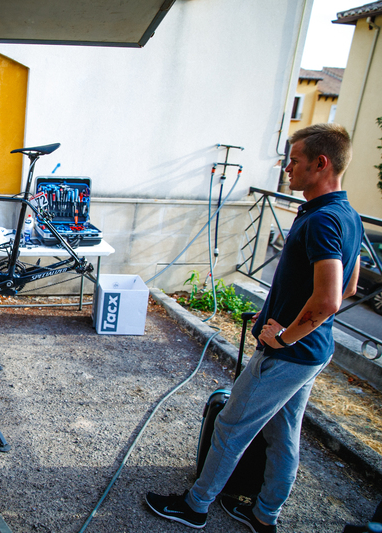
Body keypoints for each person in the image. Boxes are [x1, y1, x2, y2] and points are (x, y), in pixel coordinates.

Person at [145, 123, 363, 532]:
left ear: (321, 163)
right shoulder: (346, 215)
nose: (287, 167)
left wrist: (283, 337)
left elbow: (330, 299)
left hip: (289, 354)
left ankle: (195, 506)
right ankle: (265, 516)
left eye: (294, 160)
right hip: (312, 352)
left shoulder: (323, 220)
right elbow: (350, 286)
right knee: (283, 436)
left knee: (231, 424)